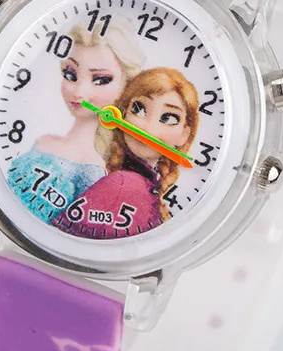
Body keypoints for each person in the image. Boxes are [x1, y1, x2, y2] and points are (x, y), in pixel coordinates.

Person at [7, 21, 144, 222]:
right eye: (70, 75)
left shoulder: (97, 173)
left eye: (100, 80)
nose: (79, 92)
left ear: (127, 86)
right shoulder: (44, 140)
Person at [53, 67, 199, 239]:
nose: (147, 128)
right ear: (122, 115)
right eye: (139, 109)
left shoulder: (137, 184)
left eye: (168, 118)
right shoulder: (123, 184)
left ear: (184, 134)